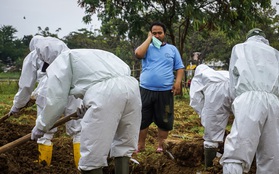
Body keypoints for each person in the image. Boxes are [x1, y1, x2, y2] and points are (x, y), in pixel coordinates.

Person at [30, 49, 142, 174]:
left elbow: (56, 101)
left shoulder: (60, 64)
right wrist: (87, 104)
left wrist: (41, 126)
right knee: (124, 144)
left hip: (105, 94)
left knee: (92, 153)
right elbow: (99, 80)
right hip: (132, 88)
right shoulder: (93, 55)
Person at [9, 35, 82, 167]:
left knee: (44, 132)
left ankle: (43, 167)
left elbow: (26, 85)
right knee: (78, 131)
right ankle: (81, 168)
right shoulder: (66, 52)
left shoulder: (33, 55)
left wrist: (17, 105)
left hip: (48, 89)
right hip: (73, 87)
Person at [220, 28, 279, 173]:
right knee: (271, 155)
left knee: (237, 151)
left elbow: (233, 80)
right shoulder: (275, 53)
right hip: (273, 101)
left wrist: (237, 102)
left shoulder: (239, 48)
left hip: (248, 98)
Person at [134, 21, 185, 153]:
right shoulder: (147, 48)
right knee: (142, 118)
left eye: (159, 33)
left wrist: (178, 82)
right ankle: (140, 146)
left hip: (165, 91)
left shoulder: (172, 49)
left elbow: (179, 68)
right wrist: (148, 39)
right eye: (154, 33)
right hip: (146, 90)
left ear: (164, 34)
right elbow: (138, 54)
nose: (157, 35)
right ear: (150, 34)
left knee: (164, 119)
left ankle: (161, 146)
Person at [189, 64, 232, 168]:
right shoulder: (222, 73)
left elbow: (195, 99)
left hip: (216, 91)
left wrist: (203, 115)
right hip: (236, 86)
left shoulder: (199, 78)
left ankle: (209, 167)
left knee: (211, 137)